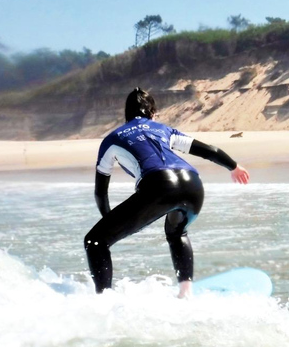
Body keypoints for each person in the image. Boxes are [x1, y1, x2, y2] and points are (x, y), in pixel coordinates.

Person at [84, 87, 250, 297]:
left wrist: (108, 220)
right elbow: (209, 151)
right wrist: (234, 167)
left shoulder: (112, 139)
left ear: (126, 115)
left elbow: (100, 192)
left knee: (96, 241)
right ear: (153, 113)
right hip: (193, 185)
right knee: (177, 232)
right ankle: (186, 293)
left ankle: (102, 303)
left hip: (159, 185)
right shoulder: (163, 129)